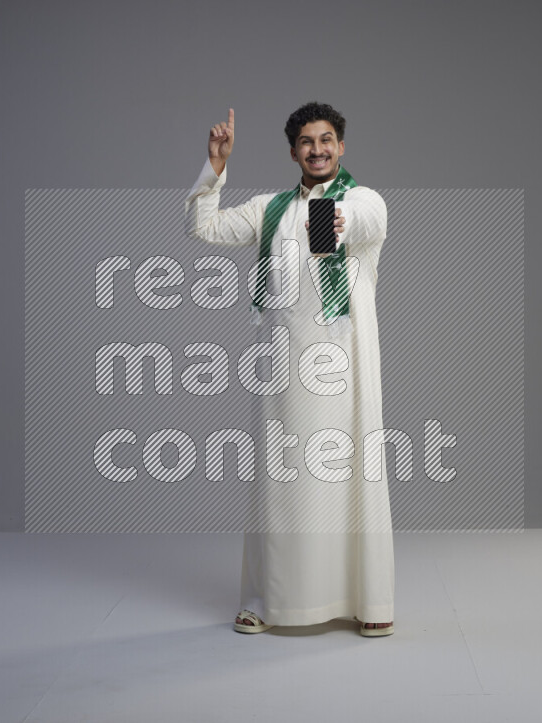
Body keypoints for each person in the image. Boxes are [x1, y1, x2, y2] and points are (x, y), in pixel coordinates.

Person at [184, 102, 395, 636]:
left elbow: (367, 223)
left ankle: (366, 602)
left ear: (341, 146)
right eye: (306, 142)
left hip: (343, 366)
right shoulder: (268, 208)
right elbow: (201, 227)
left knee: (345, 480)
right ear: (293, 151)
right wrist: (215, 167)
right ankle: (265, 598)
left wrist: (341, 219)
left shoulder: (362, 199)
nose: (318, 150)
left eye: (327, 140)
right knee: (280, 482)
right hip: (281, 371)